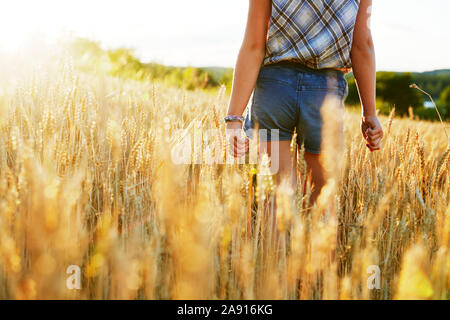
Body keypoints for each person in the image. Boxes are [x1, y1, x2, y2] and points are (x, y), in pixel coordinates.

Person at [225, 0, 383, 204]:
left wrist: (234, 118)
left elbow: (254, 46)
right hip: (324, 95)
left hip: (274, 90)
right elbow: (362, 47)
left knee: (276, 201)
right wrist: (369, 113)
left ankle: (276, 236)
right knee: (320, 206)